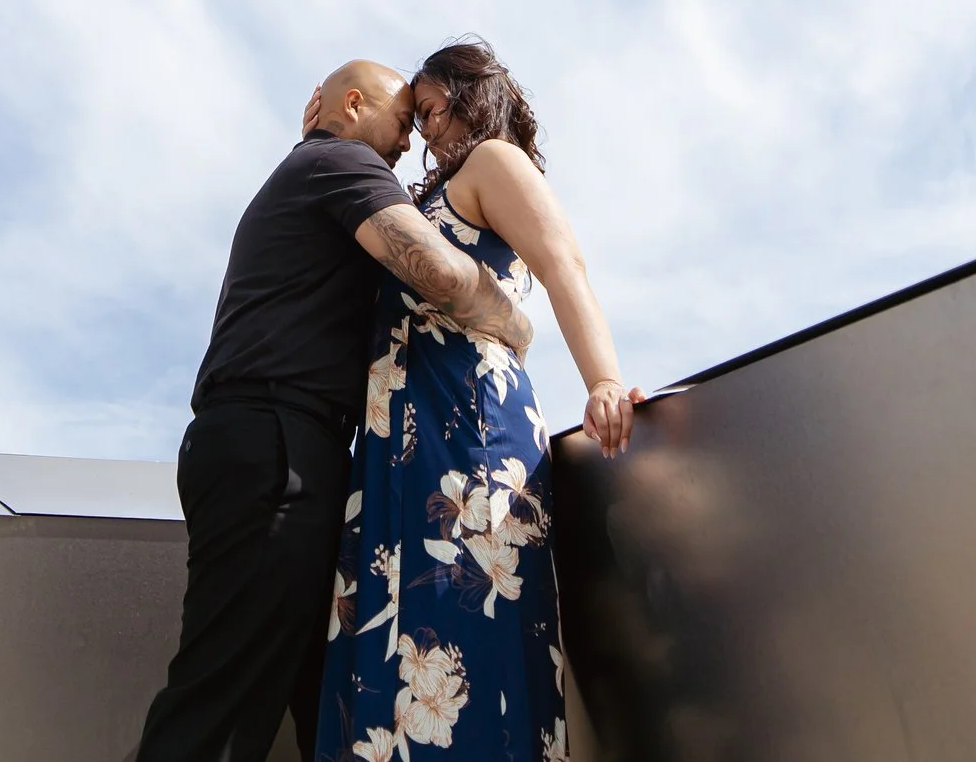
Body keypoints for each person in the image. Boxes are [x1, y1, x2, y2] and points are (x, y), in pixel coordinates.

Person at [135, 59, 537, 762]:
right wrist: (513, 322)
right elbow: (440, 271)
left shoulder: (312, 166)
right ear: (353, 105)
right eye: (404, 121)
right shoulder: (341, 160)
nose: (410, 143)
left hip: (272, 446)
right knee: (218, 703)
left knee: (310, 695)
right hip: (277, 447)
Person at [314, 39, 641, 762]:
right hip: (395, 450)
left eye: (433, 111)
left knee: (467, 636)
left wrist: (603, 381)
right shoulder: (415, 201)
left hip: (469, 433)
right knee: (391, 653)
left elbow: (563, 263)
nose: (425, 133)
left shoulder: (494, 161)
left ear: (472, 99)